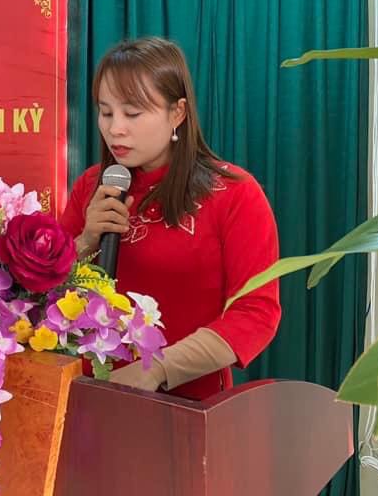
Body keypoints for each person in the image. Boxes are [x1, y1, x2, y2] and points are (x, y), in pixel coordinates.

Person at [59, 37, 281, 400]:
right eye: (106, 112)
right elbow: (45, 297)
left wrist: (158, 368)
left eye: (133, 113)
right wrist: (86, 240)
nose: (115, 129)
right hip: (89, 396)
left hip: (187, 403)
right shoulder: (91, 186)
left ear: (177, 113)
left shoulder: (233, 193)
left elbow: (256, 314)